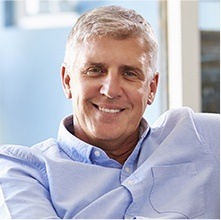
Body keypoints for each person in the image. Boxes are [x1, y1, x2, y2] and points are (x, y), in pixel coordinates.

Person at [0, 5, 219, 219]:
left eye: (130, 73)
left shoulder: (198, 135)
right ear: (67, 81)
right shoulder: (23, 170)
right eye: (95, 71)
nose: (111, 90)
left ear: (151, 88)